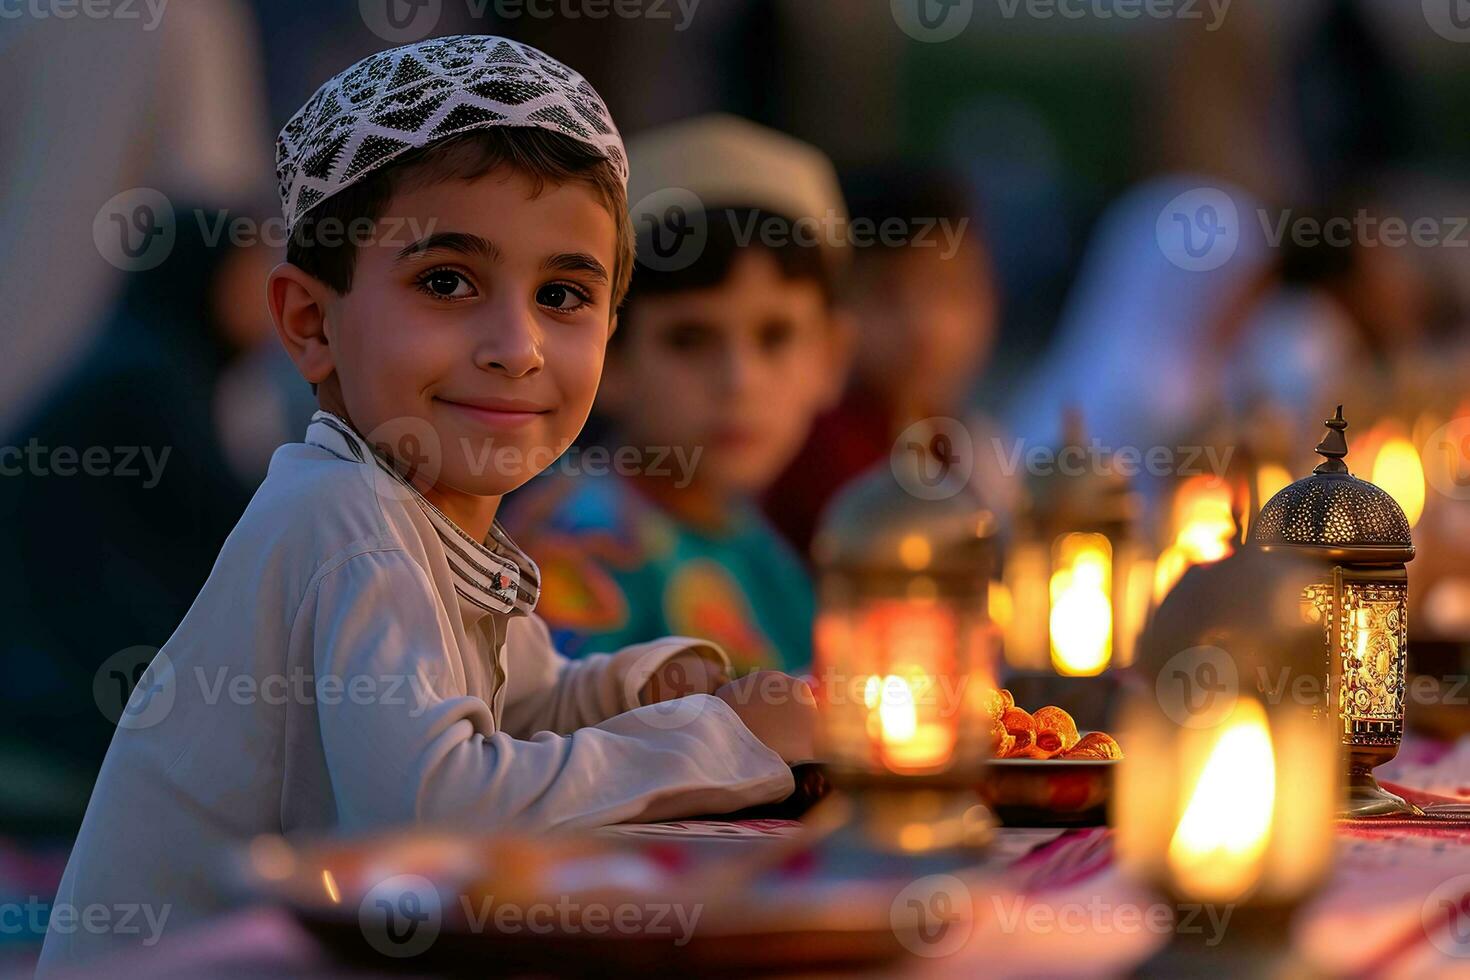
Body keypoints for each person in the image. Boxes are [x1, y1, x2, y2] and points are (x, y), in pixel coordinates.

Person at [40, 38, 814, 973]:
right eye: (447, 282)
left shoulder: (428, 518)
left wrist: (646, 687)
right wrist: (718, 739)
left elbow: (522, 705)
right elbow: (434, 815)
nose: (517, 346)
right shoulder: (346, 518)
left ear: (609, 330)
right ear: (309, 322)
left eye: (564, 294)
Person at [502, 115, 851, 673]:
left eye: (775, 336)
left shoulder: (756, 542)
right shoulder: (577, 543)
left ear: (831, 357)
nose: (740, 380)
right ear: (608, 358)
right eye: (689, 340)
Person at [0, 208, 276, 835]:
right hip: (56, 712)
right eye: (249, 272)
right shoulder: (141, 385)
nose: (268, 293)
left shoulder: (150, 366)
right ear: (196, 274)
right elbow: (245, 531)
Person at [762, 165, 1008, 560]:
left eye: (950, 290)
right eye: (886, 295)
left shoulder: (971, 444)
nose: (923, 328)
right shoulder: (818, 452)